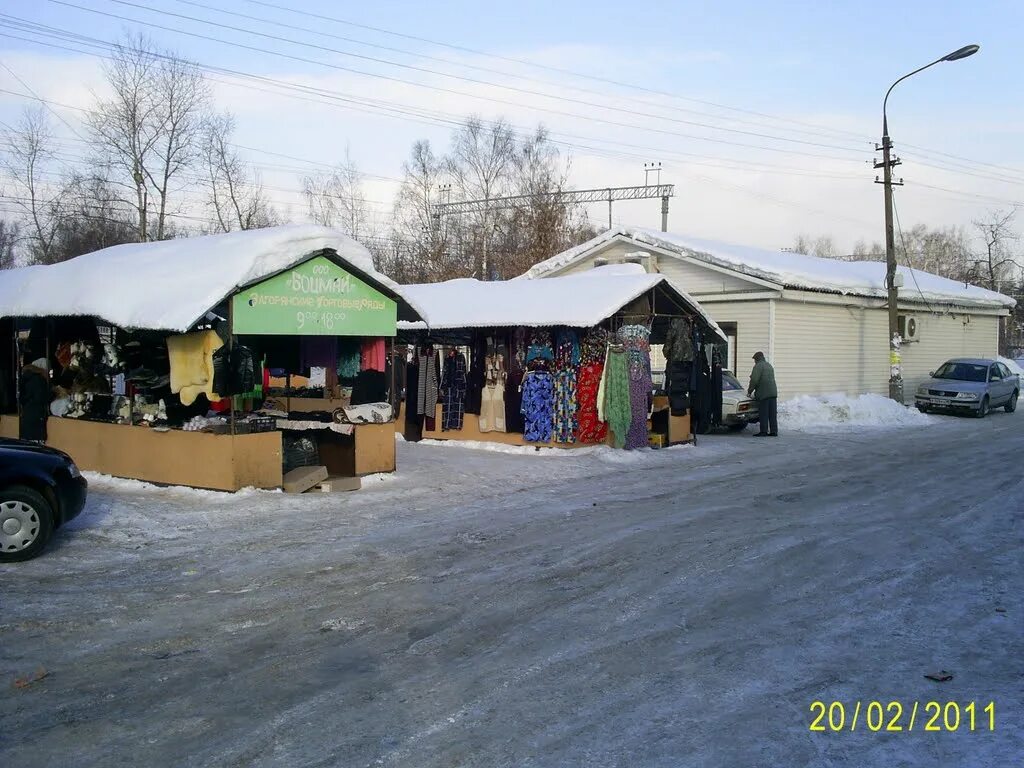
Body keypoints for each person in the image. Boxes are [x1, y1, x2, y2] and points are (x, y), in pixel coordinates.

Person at [19, 355, 50, 443]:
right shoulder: (39, 379)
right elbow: (41, 397)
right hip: (36, 417)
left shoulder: (26, 378)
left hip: (27, 416)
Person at [747, 351, 778, 437]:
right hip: (773, 392)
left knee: (764, 413)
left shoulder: (758, 366)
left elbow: (754, 380)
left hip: (764, 393)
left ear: (757, 359)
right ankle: (774, 431)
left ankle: (763, 431)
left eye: (754, 359)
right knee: (772, 414)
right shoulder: (769, 365)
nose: (754, 361)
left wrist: (750, 391)